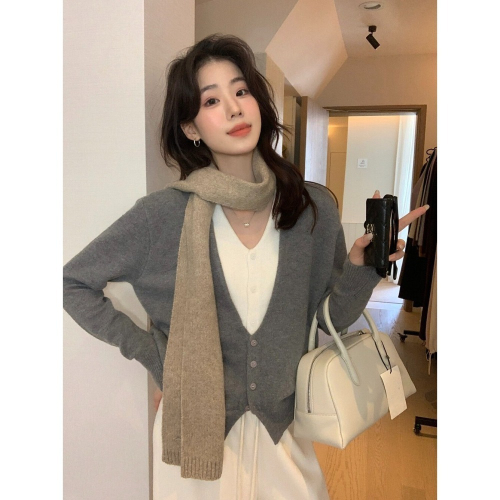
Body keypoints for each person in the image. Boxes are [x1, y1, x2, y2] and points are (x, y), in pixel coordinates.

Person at [63, 34, 428, 500]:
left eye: (241, 91)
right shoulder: (162, 216)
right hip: (195, 443)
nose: (234, 108)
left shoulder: (311, 208)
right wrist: (156, 357)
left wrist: (361, 268)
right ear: (191, 127)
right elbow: (73, 283)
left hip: (284, 434)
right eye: (211, 100)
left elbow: (330, 321)